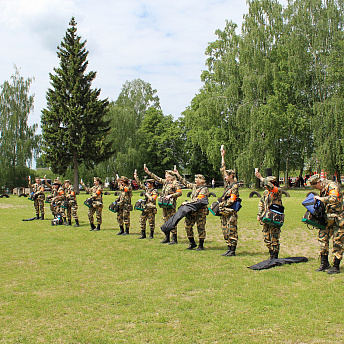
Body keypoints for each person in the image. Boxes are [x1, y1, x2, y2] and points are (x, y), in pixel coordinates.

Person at [308, 173, 344, 274]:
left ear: (319, 182)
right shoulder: (323, 189)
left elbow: (334, 198)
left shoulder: (332, 186)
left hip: (338, 219)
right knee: (322, 238)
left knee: (338, 242)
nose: (315, 188)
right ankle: (324, 263)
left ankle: (336, 266)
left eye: (315, 186)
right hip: (328, 219)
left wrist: (321, 199)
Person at [145, 166, 182, 244]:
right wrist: (148, 172)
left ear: (171, 177)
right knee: (165, 220)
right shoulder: (165, 182)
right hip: (164, 205)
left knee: (172, 221)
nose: (165, 177)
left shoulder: (175, 183)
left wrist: (171, 195)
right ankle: (167, 237)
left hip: (171, 205)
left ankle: (174, 239)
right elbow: (157, 178)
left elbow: (179, 193)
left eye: (166, 175)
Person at [174, 170, 209, 250]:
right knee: (187, 225)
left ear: (201, 180)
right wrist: (178, 174)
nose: (195, 180)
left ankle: (201, 245)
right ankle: (192, 243)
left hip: (200, 211)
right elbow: (185, 182)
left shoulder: (204, 189)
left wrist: (187, 202)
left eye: (197, 179)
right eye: (195, 179)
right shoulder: (194, 187)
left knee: (200, 227)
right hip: (192, 211)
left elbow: (198, 200)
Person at [255, 171, 283, 259]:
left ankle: (275, 256)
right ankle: (271, 253)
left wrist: (261, 178)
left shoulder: (277, 190)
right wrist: (259, 214)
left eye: (267, 184)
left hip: (275, 217)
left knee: (274, 237)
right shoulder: (265, 192)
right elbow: (261, 203)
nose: (265, 186)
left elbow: (271, 187)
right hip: (266, 216)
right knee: (266, 237)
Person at [219, 149, 240, 256]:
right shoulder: (227, 185)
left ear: (231, 176)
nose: (225, 177)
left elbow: (232, 200)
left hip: (231, 211)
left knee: (231, 230)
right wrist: (223, 156)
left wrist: (222, 204)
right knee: (225, 229)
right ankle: (228, 247)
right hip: (224, 212)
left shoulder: (234, 186)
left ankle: (232, 249)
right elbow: (223, 169)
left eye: (227, 175)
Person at [134, 172, 158, 239]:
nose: (147, 185)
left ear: (152, 184)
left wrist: (148, 195)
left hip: (151, 209)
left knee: (151, 222)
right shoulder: (147, 189)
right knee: (142, 220)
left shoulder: (154, 191)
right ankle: (143, 234)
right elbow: (140, 185)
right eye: (146, 183)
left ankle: (151, 235)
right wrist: (136, 177)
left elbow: (153, 199)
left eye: (148, 183)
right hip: (145, 208)